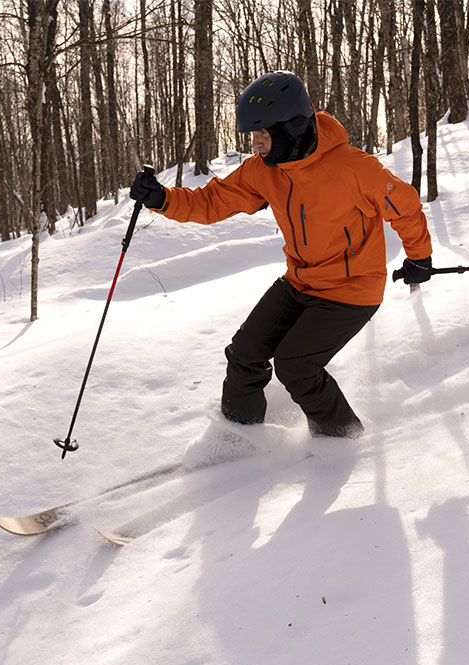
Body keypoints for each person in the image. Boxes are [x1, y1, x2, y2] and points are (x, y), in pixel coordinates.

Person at [130, 70, 435, 438]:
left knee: (297, 366)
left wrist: (419, 258)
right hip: (299, 282)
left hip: (350, 291)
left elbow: (404, 206)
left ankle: (345, 440)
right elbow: (213, 201)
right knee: (244, 353)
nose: (255, 143)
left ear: (291, 127)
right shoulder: (264, 170)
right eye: (253, 135)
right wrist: (162, 199)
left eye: (262, 133)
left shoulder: (353, 168)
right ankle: (239, 438)